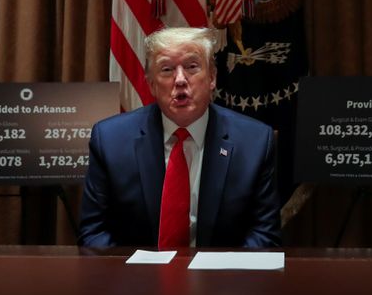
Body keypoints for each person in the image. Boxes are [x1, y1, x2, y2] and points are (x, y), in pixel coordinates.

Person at [79, 27, 281, 248]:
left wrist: (222, 278)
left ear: (212, 77)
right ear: (151, 84)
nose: (180, 80)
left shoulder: (255, 142)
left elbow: (264, 235)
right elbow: (94, 233)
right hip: (138, 278)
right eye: (166, 69)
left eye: (192, 67)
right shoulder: (110, 140)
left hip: (220, 278)